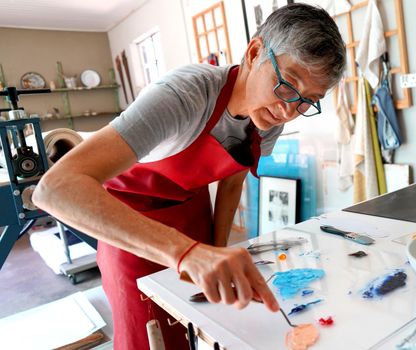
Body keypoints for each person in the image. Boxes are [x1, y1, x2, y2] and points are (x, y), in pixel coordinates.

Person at [33, 3, 346, 349]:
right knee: (152, 335)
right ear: (255, 52)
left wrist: (216, 250)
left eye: (308, 100)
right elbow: (54, 190)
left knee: (202, 327)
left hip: (192, 213)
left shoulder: (271, 115)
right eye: (287, 84)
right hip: (132, 224)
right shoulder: (184, 96)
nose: (289, 110)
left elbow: (231, 184)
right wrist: (188, 254)